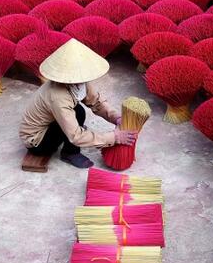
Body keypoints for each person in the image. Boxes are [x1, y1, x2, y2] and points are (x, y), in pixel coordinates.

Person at [19, 39, 137, 169]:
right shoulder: (58, 97)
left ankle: (70, 148)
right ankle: (70, 153)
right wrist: (114, 138)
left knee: (78, 110)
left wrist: (116, 118)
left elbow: (96, 102)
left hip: (51, 122)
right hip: (37, 141)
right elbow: (76, 136)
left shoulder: (79, 83)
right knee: (77, 115)